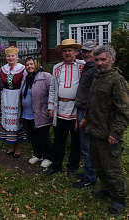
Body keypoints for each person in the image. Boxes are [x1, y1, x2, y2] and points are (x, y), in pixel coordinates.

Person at [85, 45, 129, 215]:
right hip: (94, 130)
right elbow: (93, 103)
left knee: (112, 169)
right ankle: (106, 190)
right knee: (98, 166)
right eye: (97, 60)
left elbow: (123, 110)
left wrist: (116, 133)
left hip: (108, 135)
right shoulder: (98, 77)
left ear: (112, 60)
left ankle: (119, 199)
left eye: (103, 59)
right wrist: (85, 118)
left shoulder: (117, 81)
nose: (100, 63)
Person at [44, 39, 85, 176]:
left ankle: (73, 165)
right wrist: (51, 106)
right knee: (58, 140)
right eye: (65, 50)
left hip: (76, 110)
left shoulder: (82, 66)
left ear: (75, 52)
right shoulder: (57, 68)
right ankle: (56, 165)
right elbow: (53, 88)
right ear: (62, 53)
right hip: (60, 109)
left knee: (76, 140)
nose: (67, 53)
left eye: (70, 50)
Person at [72, 41, 97, 188]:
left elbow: (94, 96)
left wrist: (87, 116)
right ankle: (88, 171)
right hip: (81, 109)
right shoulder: (87, 67)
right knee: (84, 144)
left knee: (87, 146)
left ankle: (90, 178)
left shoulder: (95, 70)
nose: (86, 54)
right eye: (84, 52)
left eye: (90, 52)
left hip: (88, 111)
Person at [20, 57, 52, 168]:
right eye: (27, 65)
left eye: (31, 64)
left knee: (43, 135)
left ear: (36, 65)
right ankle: (37, 154)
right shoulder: (26, 78)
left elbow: (52, 92)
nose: (29, 66)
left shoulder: (45, 76)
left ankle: (48, 157)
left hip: (40, 112)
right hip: (27, 113)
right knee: (33, 136)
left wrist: (50, 107)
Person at [0, 46, 26, 158]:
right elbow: (0, 84)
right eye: (8, 56)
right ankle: (12, 146)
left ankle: (18, 148)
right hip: (6, 96)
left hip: (17, 97)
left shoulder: (22, 69)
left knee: (16, 121)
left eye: (13, 56)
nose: (10, 58)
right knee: (8, 121)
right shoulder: (2, 69)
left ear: (17, 57)